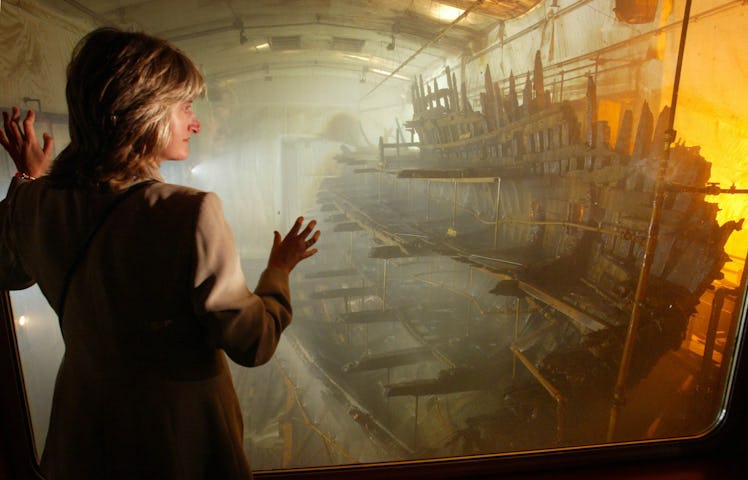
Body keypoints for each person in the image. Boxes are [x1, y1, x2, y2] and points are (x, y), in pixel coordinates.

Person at [0, 27, 320, 479]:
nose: (196, 122)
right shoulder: (190, 211)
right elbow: (252, 342)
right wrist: (278, 272)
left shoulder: (32, 202)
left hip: (80, 443)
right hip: (178, 447)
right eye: (185, 107)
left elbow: (10, 272)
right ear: (143, 111)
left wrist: (30, 181)